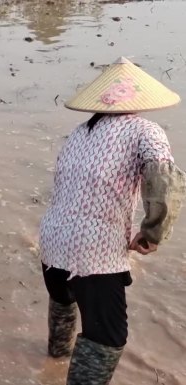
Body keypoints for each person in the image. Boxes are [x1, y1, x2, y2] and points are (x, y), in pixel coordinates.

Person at [39, 57, 186, 384]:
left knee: (64, 298)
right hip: (94, 251)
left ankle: (56, 357)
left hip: (51, 240)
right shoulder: (145, 130)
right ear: (140, 100)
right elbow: (165, 182)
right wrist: (152, 232)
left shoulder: (80, 132)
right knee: (108, 337)